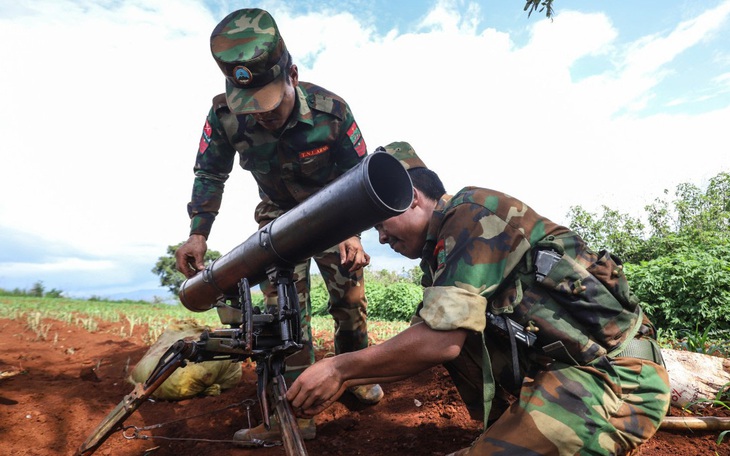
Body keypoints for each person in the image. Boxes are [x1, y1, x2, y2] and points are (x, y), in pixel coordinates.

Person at [286, 142, 671, 455]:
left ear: (413, 198)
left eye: (381, 224)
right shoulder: (441, 252)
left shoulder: (474, 214)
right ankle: (509, 430)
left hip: (618, 381)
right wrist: (345, 378)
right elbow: (431, 336)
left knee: (442, 331)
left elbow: (439, 343)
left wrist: (339, 368)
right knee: (442, 324)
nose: (381, 238)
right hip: (566, 375)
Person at [174, 8, 383, 444]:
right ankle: (296, 411)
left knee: (349, 299)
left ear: (292, 73)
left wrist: (352, 231)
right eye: (251, 107)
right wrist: (198, 232)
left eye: (270, 103)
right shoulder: (224, 116)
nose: (262, 117)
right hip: (278, 219)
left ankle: (356, 375)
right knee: (285, 316)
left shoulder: (332, 111)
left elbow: (361, 173)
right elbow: (210, 173)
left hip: (335, 214)